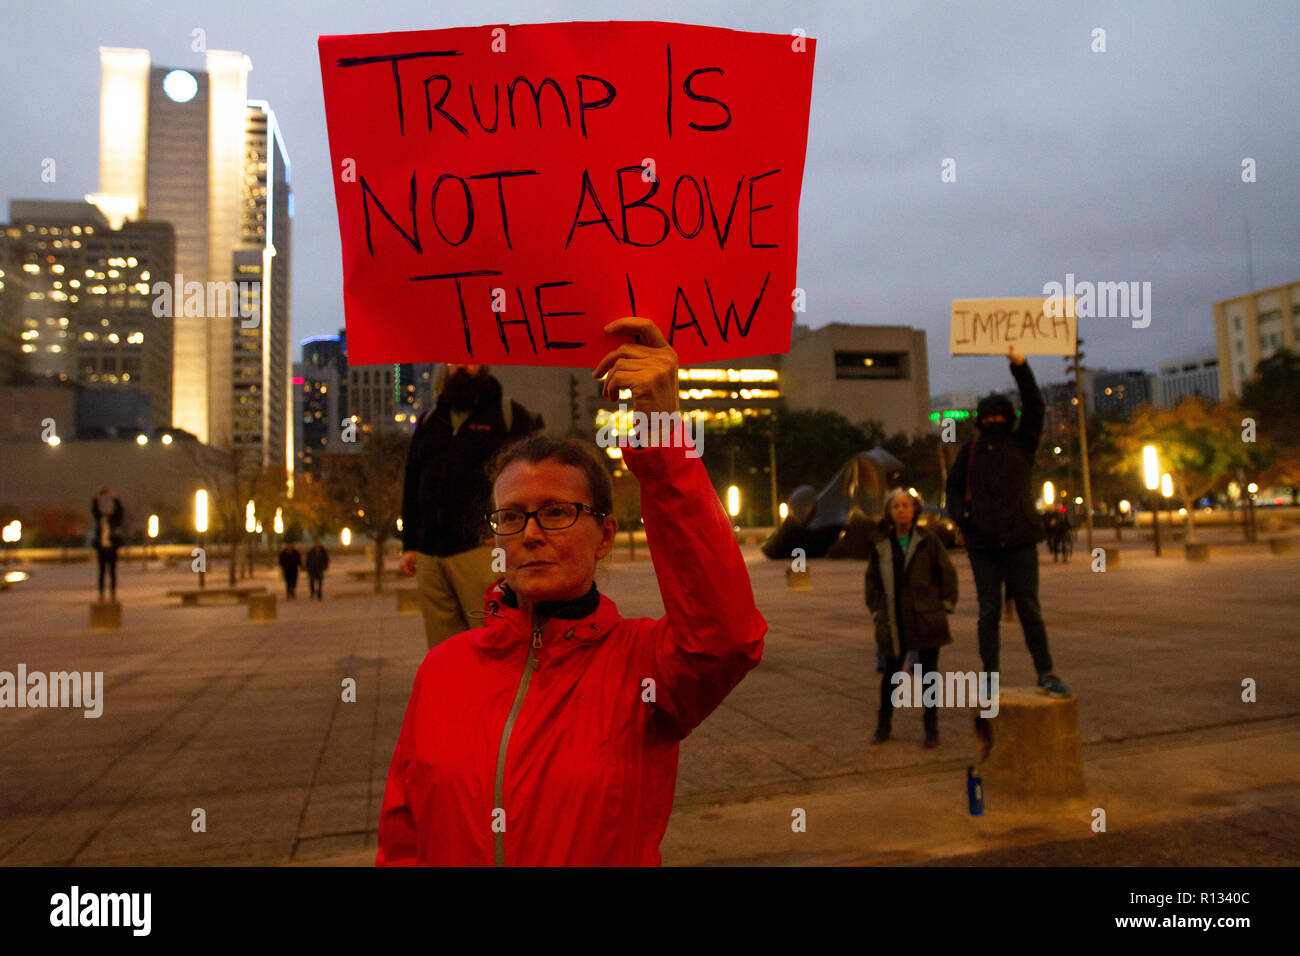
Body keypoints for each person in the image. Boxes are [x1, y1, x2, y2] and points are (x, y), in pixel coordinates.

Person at [377, 317, 766, 866]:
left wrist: (661, 436)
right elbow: (403, 840)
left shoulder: (645, 670)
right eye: (512, 516)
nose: (532, 533)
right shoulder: (440, 672)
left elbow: (726, 637)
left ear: (605, 535)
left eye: (557, 512)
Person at [945, 346, 1071, 697]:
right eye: (989, 416)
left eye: (1000, 416)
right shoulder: (969, 452)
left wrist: (1020, 365)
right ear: (981, 420)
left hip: (1019, 540)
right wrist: (963, 519)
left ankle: (1045, 671)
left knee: (1029, 608)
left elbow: (1035, 405)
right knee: (988, 613)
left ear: (1009, 419)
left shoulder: (1023, 443)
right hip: (983, 544)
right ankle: (990, 676)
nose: (995, 421)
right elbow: (953, 489)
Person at [399, 364, 543, 649]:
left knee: (496, 644)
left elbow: (531, 480)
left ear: (485, 366)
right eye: (453, 360)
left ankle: (498, 695)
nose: (461, 366)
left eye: (469, 358)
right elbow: (412, 482)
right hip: (430, 556)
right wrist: (410, 545)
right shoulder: (429, 420)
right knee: (445, 653)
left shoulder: (509, 415)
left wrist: (510, 529)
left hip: (481, 549)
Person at [866, 488, 958, 748]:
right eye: (896, 506)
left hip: (926, 619)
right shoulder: (881, 544)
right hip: (894, 621)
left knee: (929, 677)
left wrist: (945, 606)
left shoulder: (929, 541)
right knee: (891, 676)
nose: (901, 510)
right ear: (889, 512)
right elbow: (871, 582)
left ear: (915, 510)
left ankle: (931, 729)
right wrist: (877, 612)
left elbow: (947, 574)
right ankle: (883, 725)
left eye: (905, 505)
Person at [91, 488, 123, 602]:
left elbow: (120, 510)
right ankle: (101, 594)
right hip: (102, 549)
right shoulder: (101, 520)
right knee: (102, 573)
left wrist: (113, 497)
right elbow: (95, 510)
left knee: (112, 573)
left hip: (112, 549)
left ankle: (113, 594)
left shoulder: (114, 520)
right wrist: (97, 497)